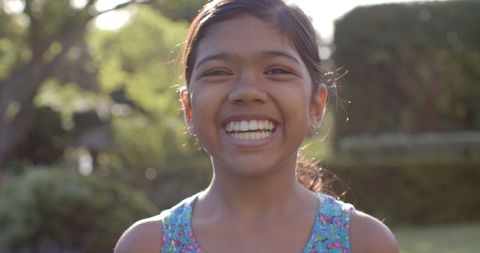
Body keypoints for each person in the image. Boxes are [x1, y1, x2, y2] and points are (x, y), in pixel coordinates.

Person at [115, 0, 399, 252]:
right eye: (218, 72)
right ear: (189, 108)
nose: (247, 91)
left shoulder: (364, 242)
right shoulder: (146, 245)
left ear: (316, 105)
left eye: (276, 70)